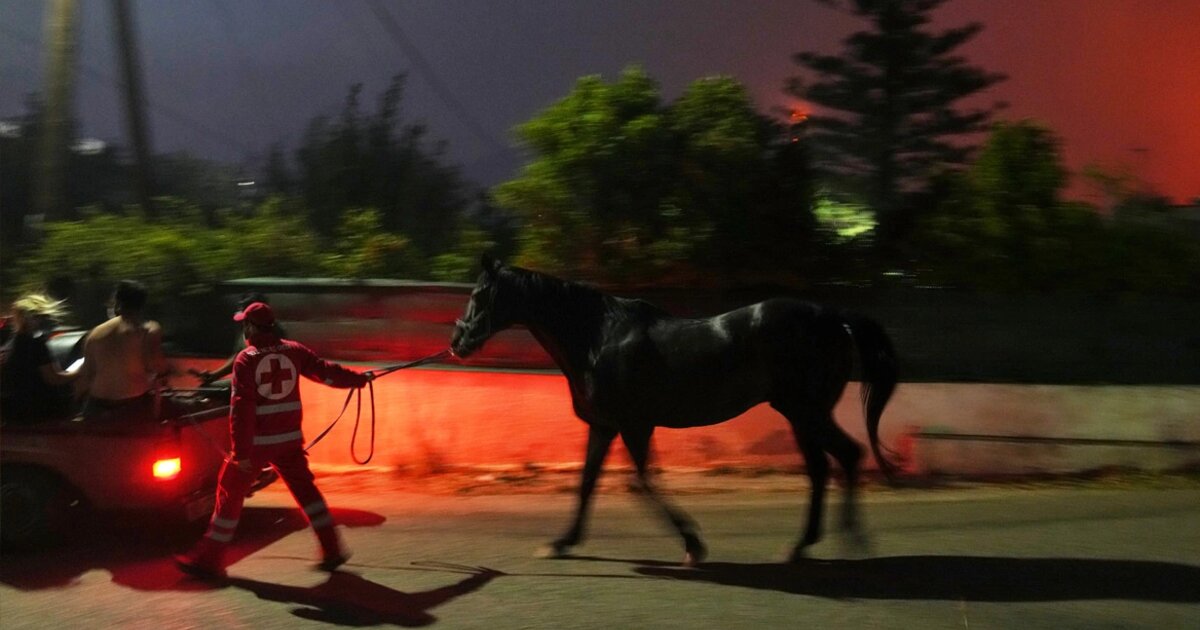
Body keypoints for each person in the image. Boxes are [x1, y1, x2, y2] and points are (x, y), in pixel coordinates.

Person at [175, 301, 373, 579]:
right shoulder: (294, 350)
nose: (244, 329)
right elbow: (326, 372)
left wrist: (241, 453)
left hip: (257, 444)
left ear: (251, 327)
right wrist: (358, 379)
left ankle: (208, 559)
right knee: (307, 493)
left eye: (245, 324)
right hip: (289, 441)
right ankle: (332, 549)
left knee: (229, 493)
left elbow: (242, 408)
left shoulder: (247, 359)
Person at [75, 280, 166, 420]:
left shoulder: (95, 333)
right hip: (133, 405)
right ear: (142, 305)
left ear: (117, 304)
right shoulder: (148, 330)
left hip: (96, 407)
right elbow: (156, 365)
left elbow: (86, 375)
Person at [0, 294, 81, 424]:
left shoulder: (11, 344)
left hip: (13, 412)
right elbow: (53, 378)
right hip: (39, 410)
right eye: (41, 316)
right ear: (31, 317)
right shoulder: (35, 344)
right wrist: (80, 371)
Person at [191, 292, 286, 387]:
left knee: (209, 389)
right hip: (250, 379)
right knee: (207, 388)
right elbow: (238, 357)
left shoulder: (273, 333)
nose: (244, 323)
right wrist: (214, 375)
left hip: (264, 383)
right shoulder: (247, 328)